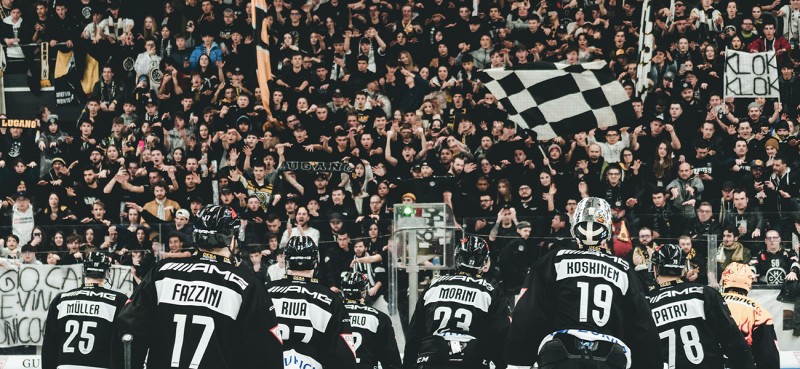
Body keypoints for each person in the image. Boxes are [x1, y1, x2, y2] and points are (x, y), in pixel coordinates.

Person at [111, 205, 283, 369]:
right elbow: (266, 354)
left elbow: (128, 328)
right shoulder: (247, 285)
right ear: (232, 239)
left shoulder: (162, 271)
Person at [505, 197, 663, 369]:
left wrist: (518, 362)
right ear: (607, 229)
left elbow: (528, 314)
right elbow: (642, 327)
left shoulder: (553, 260)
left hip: (560, 355)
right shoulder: (623, 268)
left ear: (575, 227)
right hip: (608, 357)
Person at [404, 236, 511, 369]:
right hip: (472, 357)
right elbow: (500, 331)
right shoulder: (490, 289)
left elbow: (415, 332)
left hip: (433, 355)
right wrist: (500, 364)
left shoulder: (435, 284)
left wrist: (408, 364)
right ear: (484, 262)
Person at [648, 243, 756, 369]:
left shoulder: (647, 303)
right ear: (682, 267)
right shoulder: (704, 293)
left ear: (655, 268)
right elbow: (733, 339)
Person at [266, 235, 357, 369]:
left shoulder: (266, 291)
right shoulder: (330, 299)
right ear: (315, 261)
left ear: (287, 260)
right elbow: (343, 355)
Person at [42, 252, 128, 369]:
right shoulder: (119, 300)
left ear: (84, 270)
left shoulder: (61, 299)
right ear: (107, 272)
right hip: (101, 364)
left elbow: (49, 343)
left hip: (65, 364)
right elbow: (125, 340)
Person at [720, 263, 780, 369]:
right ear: (749, 283)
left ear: (724, 280)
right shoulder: (759, 311)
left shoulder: (710, 303)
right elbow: (769, 357)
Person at [340, 271, 402, 369]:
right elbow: (391, 357)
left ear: (343, 291)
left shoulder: (333, 313)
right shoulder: (378, 317)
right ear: (364, 291)